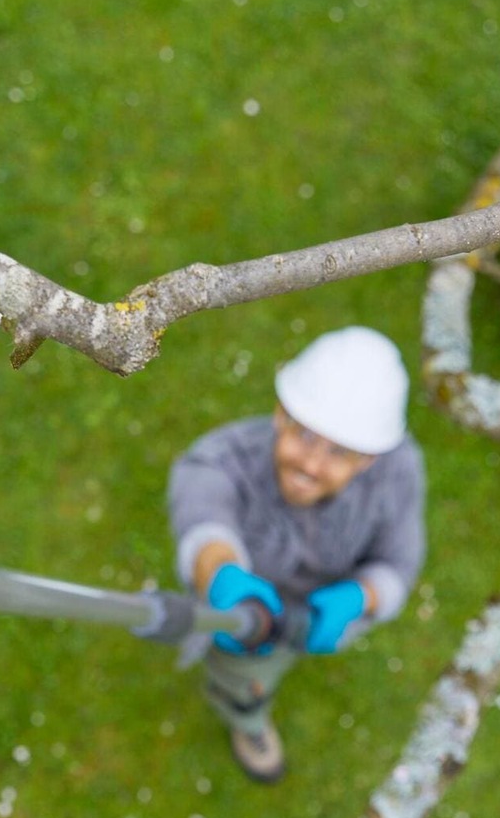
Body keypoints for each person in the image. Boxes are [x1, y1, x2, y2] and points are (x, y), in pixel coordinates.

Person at [166, 326, 427, 782]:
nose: (310, 464)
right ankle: (248, 718)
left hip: (323, 613)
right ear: (279, 413)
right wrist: (220, 575)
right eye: (303, 434)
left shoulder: (397, 474)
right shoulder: (224, 458)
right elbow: (204, 513)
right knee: (243, 680)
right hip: (241, 616)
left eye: (339, 453)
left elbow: (398, 562)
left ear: (368, 460)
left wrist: (362, 598)